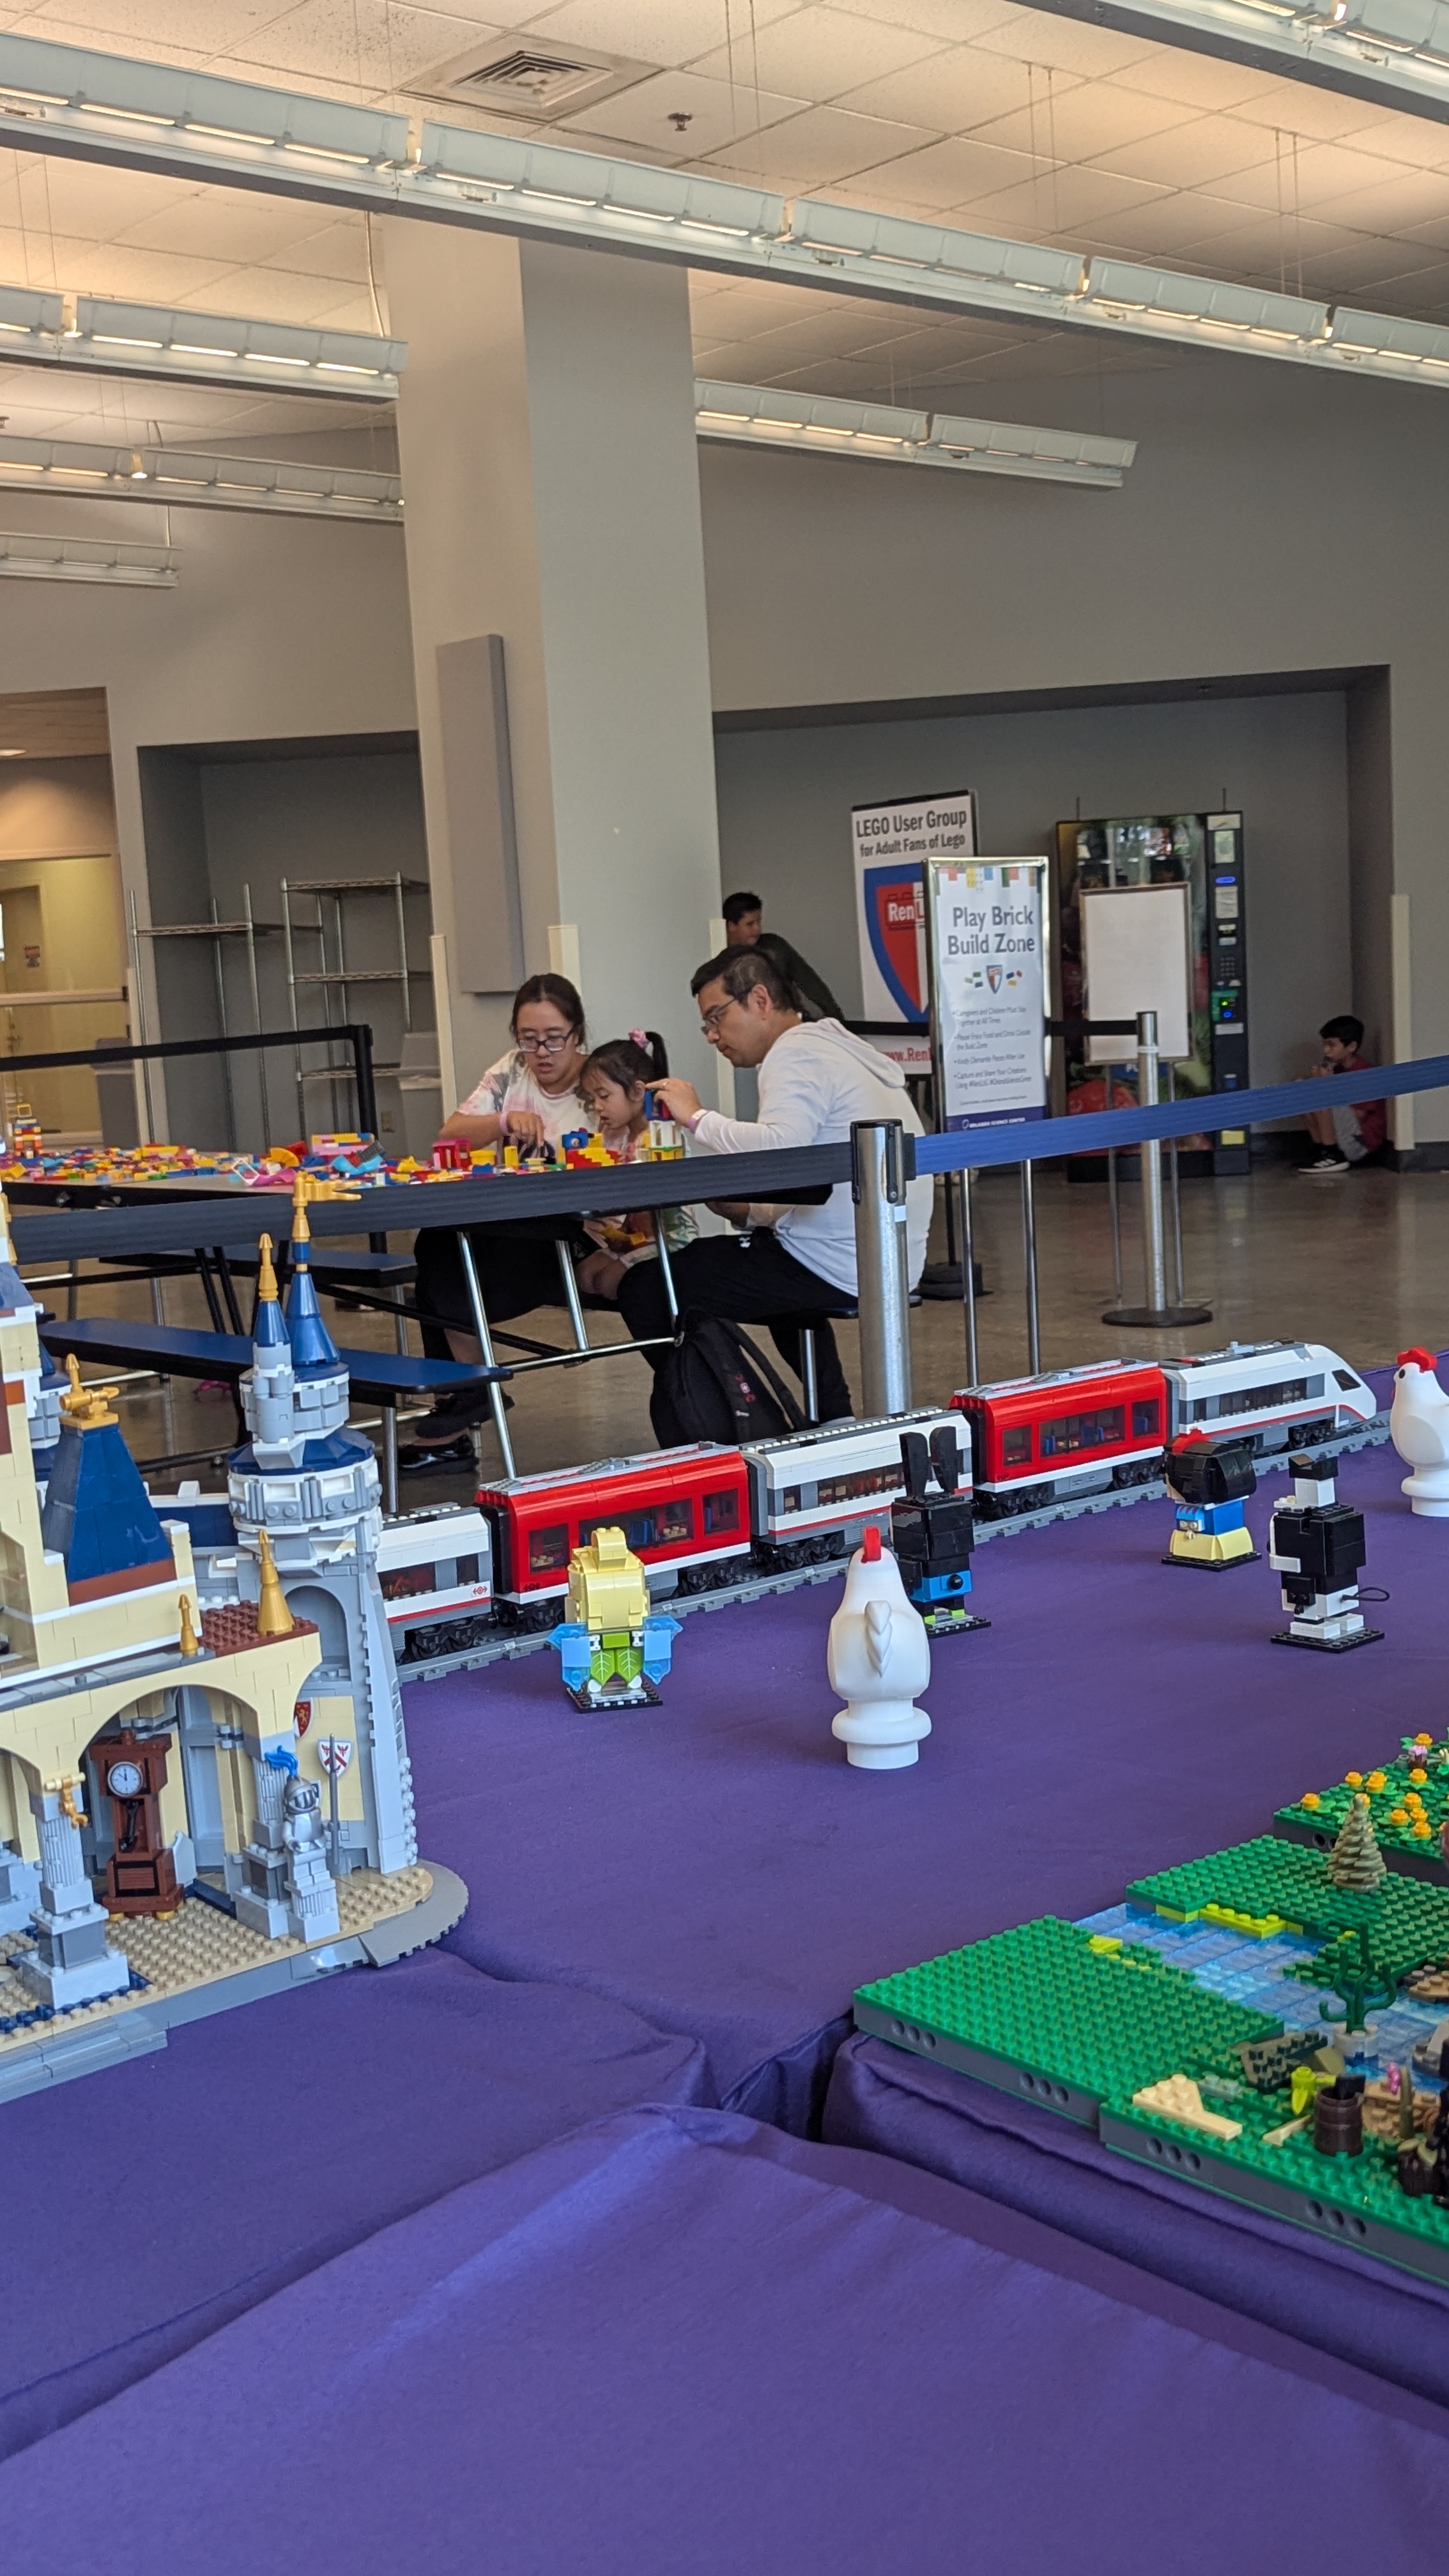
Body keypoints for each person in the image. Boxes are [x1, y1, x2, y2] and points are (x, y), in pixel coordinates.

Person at [617, 946, 933, 1439]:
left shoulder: (795, 1051)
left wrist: (696, 1117)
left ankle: (725, 1413)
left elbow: (781, 1147)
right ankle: (835, 1415)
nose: (713, 1036)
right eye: (706, 1026)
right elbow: (811, 1171)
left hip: (843, 1262)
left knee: (647, 1288)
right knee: (765, 1251)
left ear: (760, 1000)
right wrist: (749, 1213)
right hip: (887, 1257)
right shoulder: (834, 1047)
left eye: (717, 1017)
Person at [401, 973, 594, 1466]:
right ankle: (469, 1392)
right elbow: (450, 1135)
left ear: (577, 1033)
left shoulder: (598, 1082)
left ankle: (465, 1401)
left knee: (438, 1280)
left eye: (554, 1039)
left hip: (566, 1238)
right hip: (506, 1227)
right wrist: (503, 1122)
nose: (541, 1053)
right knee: (438, 1243)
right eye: (529, 1040)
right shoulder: (513, 1070)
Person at [574, 1032, 696, 1302]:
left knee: (610, 1280)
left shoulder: (660, 1137)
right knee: (584, 1274)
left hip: (672, 1237)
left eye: (604, 1096)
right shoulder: (627, 1137)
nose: (597, 1107)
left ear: (638, 1092)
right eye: (593, 1098)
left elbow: (652, 1197)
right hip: (639, 1236)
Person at [723, 888, 844, 1022]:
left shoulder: (775, 947)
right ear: (731, 926)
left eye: (759, 922)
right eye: (750, 924)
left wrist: (837, 1020)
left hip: (791, 1021)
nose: (757, 929)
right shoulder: (721, 959)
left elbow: (811, 983)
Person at [1301, 1015, 1387, 1175]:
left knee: (1321, 1093)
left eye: (1331, 1045)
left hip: (1359, 1144)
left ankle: (1332, 1153)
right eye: (1324, 1044)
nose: (1325, 1050)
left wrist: (1326, 1085)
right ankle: (1321, 1149)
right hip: (1342, 1135)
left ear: (1351, 1046)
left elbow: (1358, 1116)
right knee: (1300, 1086)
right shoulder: (1338, 1070)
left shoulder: (1365, 1073)